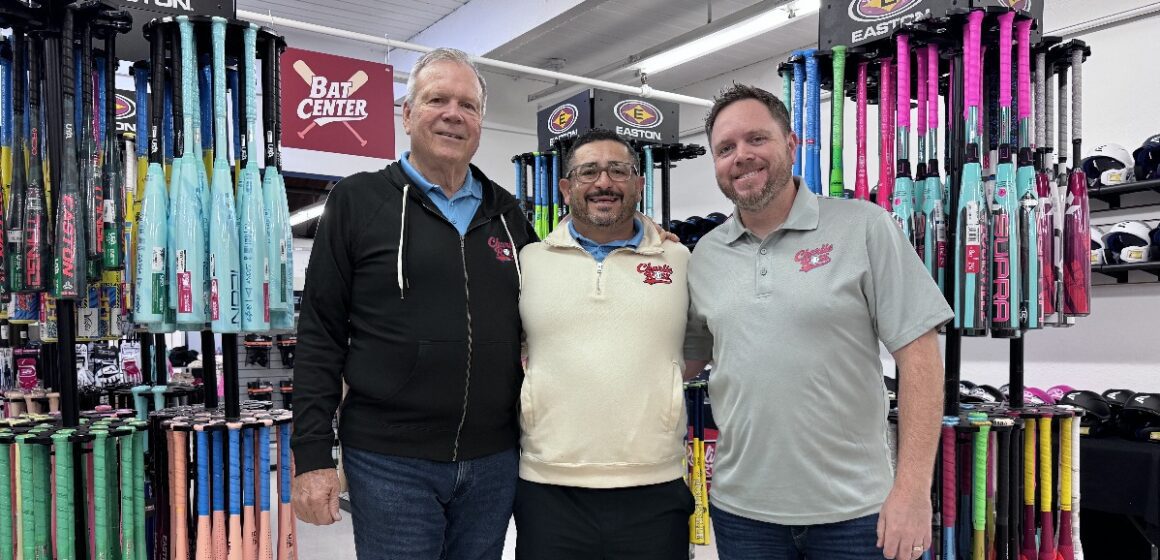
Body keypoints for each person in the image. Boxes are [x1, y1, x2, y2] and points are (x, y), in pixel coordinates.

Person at [684, 84, 952, 560]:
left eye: (756, 139)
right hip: (743, 513)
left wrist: (912, 490)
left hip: (855, 514)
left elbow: (921, 358)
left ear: (790, 144)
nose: (741, 156)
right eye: (725, 148)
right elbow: (685, 361)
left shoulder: (863, 226)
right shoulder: (705, 255)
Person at [290, 47, 536, 559]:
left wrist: (638, 240)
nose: (453, 114)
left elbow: (558, 295)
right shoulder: (359, 201)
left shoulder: (507, 213)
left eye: (467, 105)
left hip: (494, 459)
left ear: (481, 123)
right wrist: (312, 455)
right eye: (436, 99)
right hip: (388, 460)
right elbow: (320, 332)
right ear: (406, 114)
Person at [514, 128, 694, 559]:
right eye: (588, 172)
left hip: (654, 483)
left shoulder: (679, 260)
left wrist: (660, 391)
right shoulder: (529, 262)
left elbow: (699, 344)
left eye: (619, 171)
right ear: (565, 187)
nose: (603, 183)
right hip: (548, 486)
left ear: (639, 184)